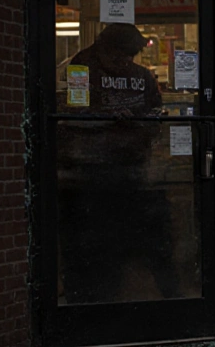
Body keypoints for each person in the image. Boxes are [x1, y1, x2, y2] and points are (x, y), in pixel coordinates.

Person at [58, 23, 178, 303]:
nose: (125, 62)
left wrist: (140, 124)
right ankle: (93, 304)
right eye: (119, 56)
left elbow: (155, 115)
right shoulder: (81, 69)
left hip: (132, 171)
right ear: (103, 48)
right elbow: (70, 115)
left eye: (130, 57)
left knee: (143, 243)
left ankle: (164, 298)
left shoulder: (141, 77)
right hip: (90, 174)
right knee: (95, 248)